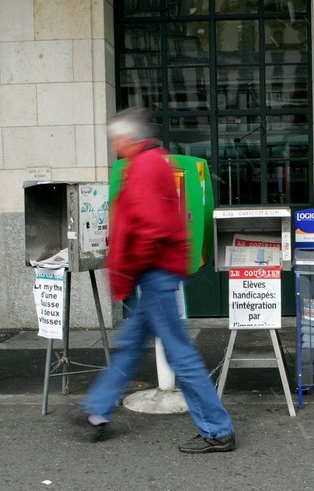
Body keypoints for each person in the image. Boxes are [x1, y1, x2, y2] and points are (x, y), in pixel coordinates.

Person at [67, 107, 236, 454]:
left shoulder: (142, 168)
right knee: (131, 346)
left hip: (154, 272)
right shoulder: (154, 163)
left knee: (179, 354)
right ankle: (97, 411)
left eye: (117, 139)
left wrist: (128, 270)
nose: (115, 145)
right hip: (156, 271)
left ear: (128, 138)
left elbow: (149, 229)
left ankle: (218, 430)